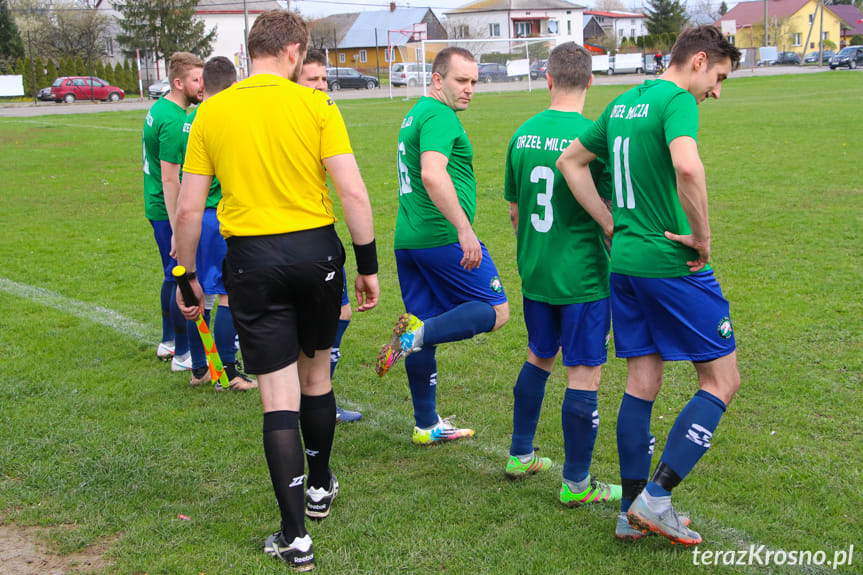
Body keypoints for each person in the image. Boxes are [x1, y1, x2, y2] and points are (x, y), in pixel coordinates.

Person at [174, 10, 379, 571]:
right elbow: (353, 193)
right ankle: (318, 487)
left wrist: (184, 275)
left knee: (277, 398)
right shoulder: (316, 105)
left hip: (252, 260)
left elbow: (190, 208)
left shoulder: (212, 111)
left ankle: (296, 536)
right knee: (316, 377)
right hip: (316, 253)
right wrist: (368, 265)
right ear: (293, 51)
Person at [556, 25, 742, 546]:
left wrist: (607, 220)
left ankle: (629, 510)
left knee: (643, 381)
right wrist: (702, 237)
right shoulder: (676, 100)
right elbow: (687, 166)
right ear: (699, 61)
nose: (716, 92)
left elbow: (570, 160)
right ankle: (656, 500)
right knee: (722, 381)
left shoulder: (622, 104)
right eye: (719, 77)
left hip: (627, 266)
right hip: (671, 263)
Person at [503, 42, 621, 509]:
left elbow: (516, 213)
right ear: (591, 81)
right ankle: (576, 483)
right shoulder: (595, 138)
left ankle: (520, 454)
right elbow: (609, 209)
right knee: (584, 373)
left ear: (548, 79)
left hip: (536, 272)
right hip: (583, 277)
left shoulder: (523, 134)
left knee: (539, 356)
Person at [376, 47, 509, 445]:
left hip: (409, 237)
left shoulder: (416, 112)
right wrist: (465, 230)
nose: (469, 89)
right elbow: (432, 175)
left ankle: (426, 424)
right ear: (437, 80)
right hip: (441, 236)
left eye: (473, 82)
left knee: (425, 317)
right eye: (461, 81)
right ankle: (410, 338)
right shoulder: (439, 115)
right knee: (495, 311)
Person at [178, 55, 256, 391]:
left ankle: (200, 369)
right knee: (227, 296)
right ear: (235, 84)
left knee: (197, 298)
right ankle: (228, 374)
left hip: (194, 218)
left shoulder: (191, 119)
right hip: (222, 217)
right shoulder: (233, 118)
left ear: (203, 85)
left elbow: (184, 183)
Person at [298, 49, 362, 423]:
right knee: (324, 319)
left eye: (324, 79)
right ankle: (313, 398)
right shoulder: (306, 119)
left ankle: (316, 397)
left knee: (340, 314)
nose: (323, 86)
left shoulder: (322, 113)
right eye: (313, 79)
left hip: (320, 231)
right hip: (304, 239)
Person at [142, 52, 203, 372]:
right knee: (179, 274)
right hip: (165, 207)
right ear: (179, 83)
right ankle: (182, 352)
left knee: (171, 273)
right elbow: (169, 177)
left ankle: (168, 341)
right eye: (196, 79)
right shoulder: (174, 119)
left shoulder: (161, 107)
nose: (202, 84)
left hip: (157, 203)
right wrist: (179, 227)